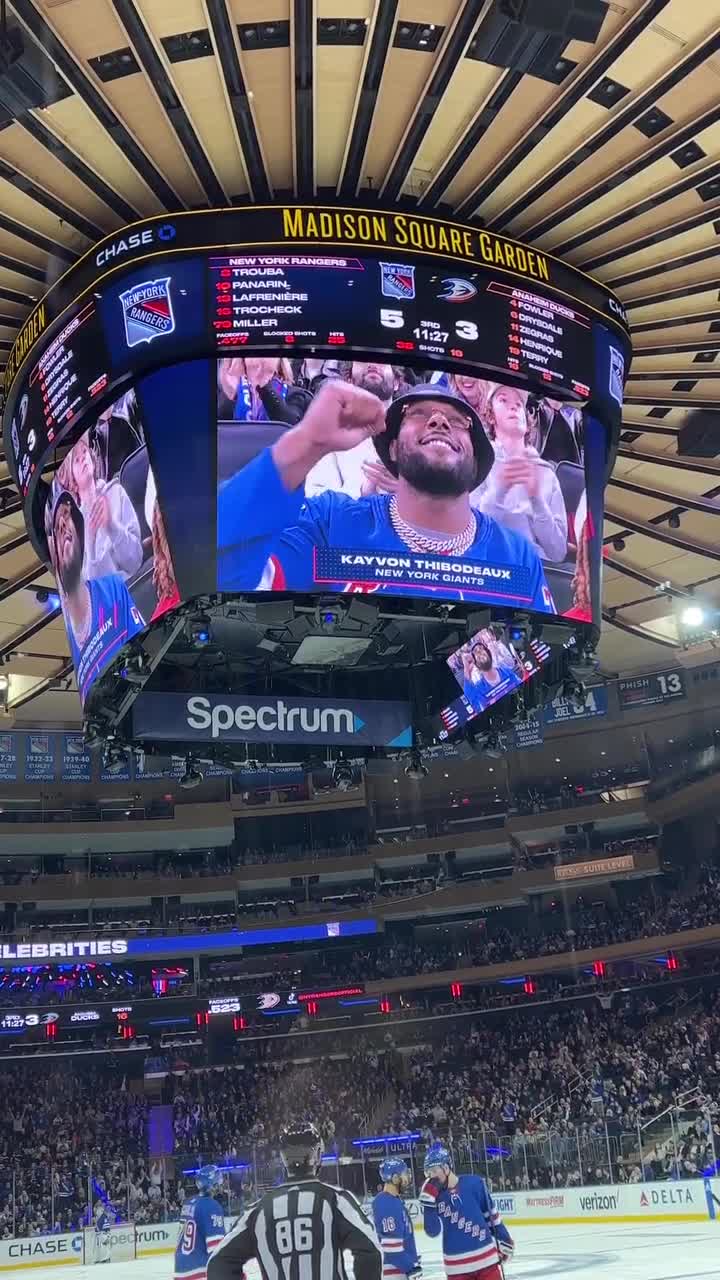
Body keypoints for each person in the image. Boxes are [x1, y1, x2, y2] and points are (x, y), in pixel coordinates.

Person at [218, 381, 554, 611]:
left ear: (477, 458)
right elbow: (219, 581)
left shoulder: (517, 558)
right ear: (391, 448)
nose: (439, 421)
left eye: (458, 421)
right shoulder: (331, 524)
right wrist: (307, 441)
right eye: (418, 414)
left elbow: (544, 671)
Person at [206, 1123, 381, 1280]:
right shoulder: (336, 1200)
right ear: (318, 1155)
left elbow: (218, 1262)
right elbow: (370, 1249)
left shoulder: (257, 1211)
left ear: (283, 1159)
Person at [50, 491, 145, 700]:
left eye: (67, 517)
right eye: (57, 527)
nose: (64, 526)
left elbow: (147, 650)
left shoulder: (113, 589)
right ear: (53, 551)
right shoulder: (70, 632)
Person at [472, 383, 567, 562]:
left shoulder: (546, 474)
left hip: (537, 571)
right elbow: (471, 538)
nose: (514, 405)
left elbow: (558, 552)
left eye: (519, 403)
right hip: (490, 565)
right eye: (503, 400)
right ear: (491, 416)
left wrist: (537, 500)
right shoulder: (477, 462)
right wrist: (499, 490)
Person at [305, 362, 400, 498]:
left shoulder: (413, 431)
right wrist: (362, 492)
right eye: (363, 360)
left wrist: (408, 491)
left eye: (382, 361)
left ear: (396, 383)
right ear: (349, 381)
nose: (372, 364)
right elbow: (314, 496)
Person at [61, 429, 143, 581]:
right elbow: (93, 586)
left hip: (135, 584)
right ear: (72, 480)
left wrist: (111, 525)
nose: (83, 458)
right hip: (110, 601)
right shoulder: (75, 527)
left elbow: (135, 561)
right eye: (77, 460)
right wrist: (90, 541)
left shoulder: (116, 492)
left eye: (84, 452)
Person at [420, 1145, 513, 1280]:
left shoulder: (474, 1183)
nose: (430, 1177)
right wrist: (428, 1204)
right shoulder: (434, 1196)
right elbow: (433, 1231)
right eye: (428, 1173)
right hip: (456, 1267)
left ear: (446, 1168)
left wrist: (505, 1238)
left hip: (487, 1261)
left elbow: (491, 1216)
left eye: (434, 1171)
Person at [218, 357, 311, 425]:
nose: (260, 359)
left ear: (279, 361)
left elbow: (290, 425)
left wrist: (263, 386)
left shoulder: (298, 395)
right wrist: (231, 396)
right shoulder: (230, 390)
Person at [372, 1158, 421, 1280]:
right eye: (404, 1175)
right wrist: (410, 1267)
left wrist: (412, 1257)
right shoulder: (386, 1203)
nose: (407, 1179)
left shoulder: (394, 1201)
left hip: (400, 1272)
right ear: (394, 1178)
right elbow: (391, 1249)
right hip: (395, 1274)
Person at [174, 1165, 226, 1280]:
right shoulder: (212, 1206)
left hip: (179, 1269)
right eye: (218, 1181)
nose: (221, 1184)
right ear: (213, 1184)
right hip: (198, 1271)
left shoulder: (188, 1202)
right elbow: (216, 1249)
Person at [461, 639, 516, 709]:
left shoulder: (506, 671)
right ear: (476, 664)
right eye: (475, 651)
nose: (479, 652)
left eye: (481, 648)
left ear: (489, 654)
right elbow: (472, 704)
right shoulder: (479, 689)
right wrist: (466, 669)